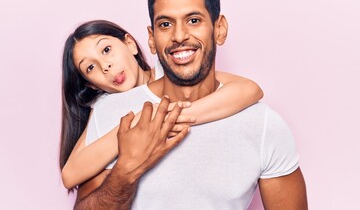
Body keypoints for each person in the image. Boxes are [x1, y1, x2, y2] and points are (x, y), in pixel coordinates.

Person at [73, 0, 308, 209]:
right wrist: (127, 171)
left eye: (193, 20)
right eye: (165, 24)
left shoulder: (263, 124)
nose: (179, 36)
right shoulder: (111, 113)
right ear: (152, 39)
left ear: (219, 29)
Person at [59, 20, 263, 189]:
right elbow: (70, 174)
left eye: (106, 50)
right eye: (90, 67)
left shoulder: (170, 70)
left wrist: (166, 116)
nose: (106, 66)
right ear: (90, 84)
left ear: (129, 44)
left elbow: (250, 89)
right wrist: (135, 126)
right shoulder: (106, 107)